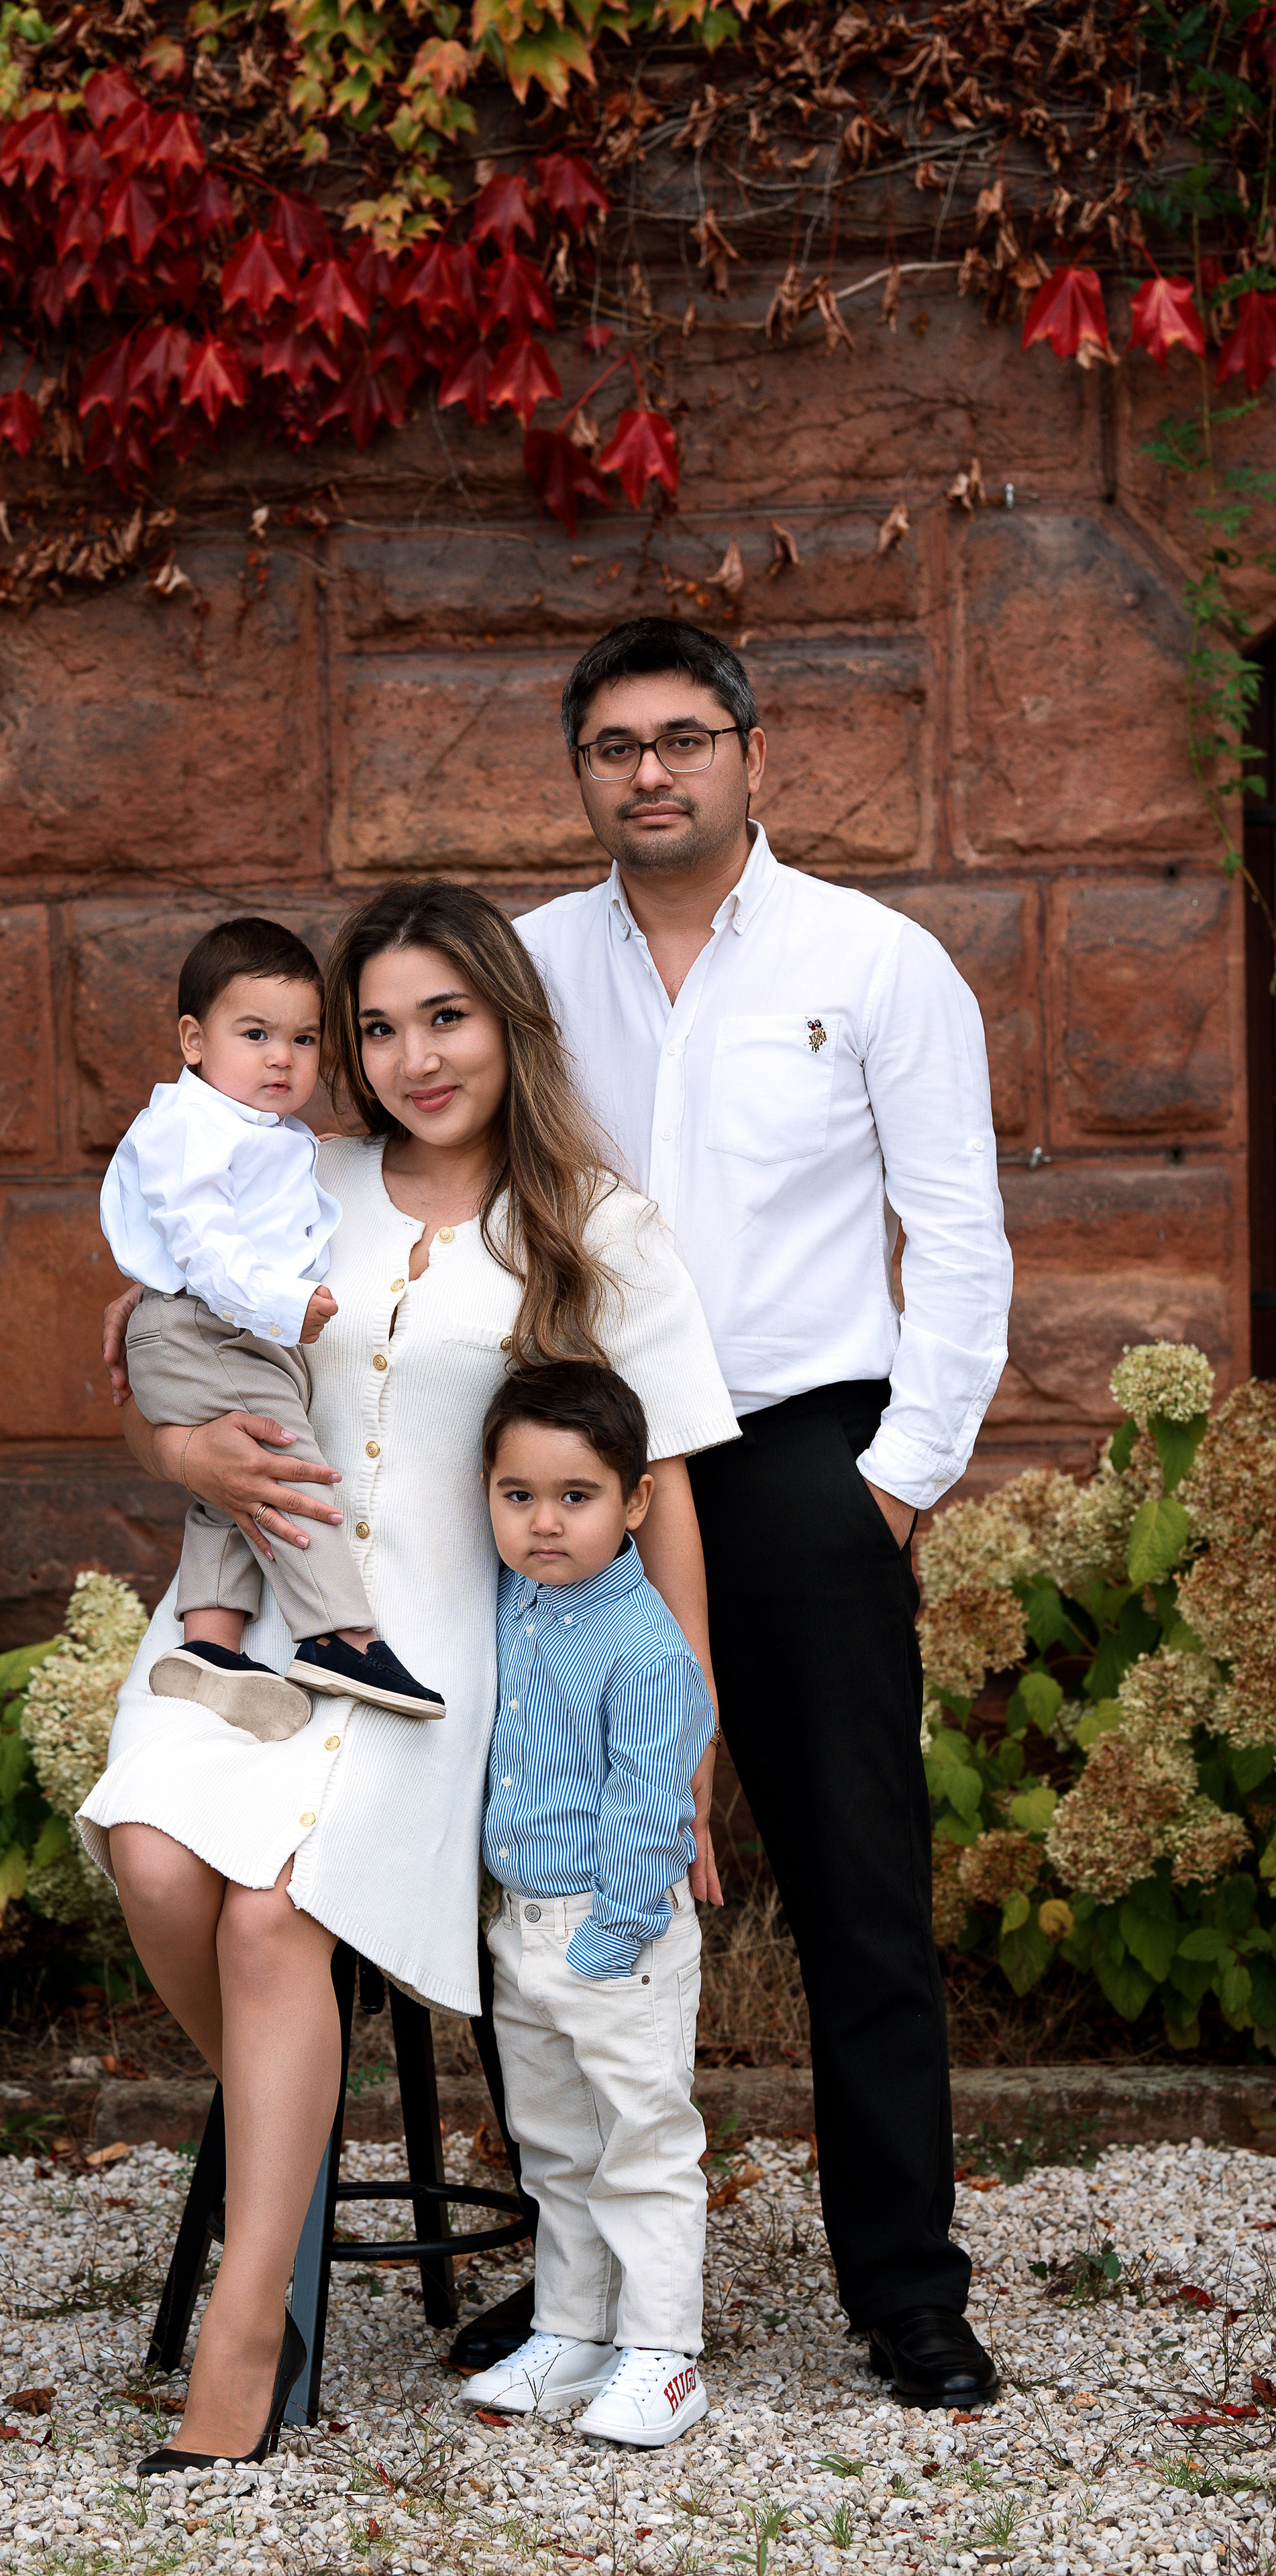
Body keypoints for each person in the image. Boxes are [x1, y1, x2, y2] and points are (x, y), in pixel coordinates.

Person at [88, 880, 738, 2471]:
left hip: (436, 1663)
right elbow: (154, 1351)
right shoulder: (288, 1174)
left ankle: (247, 2326)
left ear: (504, 1018)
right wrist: (178, 1451)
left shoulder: (593, 1222)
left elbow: (662, 1492)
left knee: (272, 1917)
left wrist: (685, 1751)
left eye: (442, 1017)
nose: (410, 1057)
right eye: (374, 1028)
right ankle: (288, 2136)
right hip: (246, 1616)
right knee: (152, 1859)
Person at [509, 616, 1014, 2412]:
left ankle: (905, 2286)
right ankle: (573, 2284)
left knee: (857, 1884)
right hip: (582, 1462)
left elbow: (958, 1233)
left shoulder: (872, 961)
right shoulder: (523, 968)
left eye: (682, 737)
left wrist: (896, 1483)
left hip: (805, 1458)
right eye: (613, 746)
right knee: (555, 1870)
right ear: (581, 773)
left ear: (750, 752)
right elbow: (428, 1159)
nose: (649, 771)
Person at [100, 914, 443, 1736]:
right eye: (255, 1035)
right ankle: (337, 1636)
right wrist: (286, 1306)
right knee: (286, 1466)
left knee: (233, 1486)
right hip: (208, 1327)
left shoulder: (265, 1134)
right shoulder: (190, 1126)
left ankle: (209, 1643)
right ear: (193, 1040)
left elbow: (268, 1205)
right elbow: (205, 1245)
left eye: (303, 1039)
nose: (282, 1058)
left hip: (222, 1331)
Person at [459, 1360, 713, 2448]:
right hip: (521, 1927)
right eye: (518, 1496)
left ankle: (664, 2355)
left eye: (578, 1496)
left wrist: (609, 1942)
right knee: (556, 2147)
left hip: (616, 1932)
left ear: (636, 1501)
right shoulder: (513, 1600)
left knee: (642, 2144)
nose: (546, 1523)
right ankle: (573, 2330)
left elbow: (652, 1807)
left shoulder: (644, 1646)